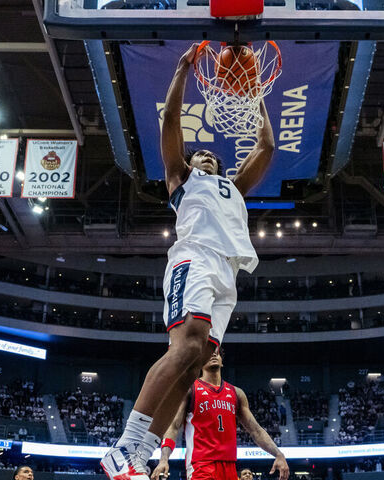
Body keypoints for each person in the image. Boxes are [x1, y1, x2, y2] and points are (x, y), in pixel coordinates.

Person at [101, 43, 275, 480]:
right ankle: (123, 448)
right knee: (186, 345)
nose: (208, 155)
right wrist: (182, 70)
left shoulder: (233, 186)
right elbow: (172, 120)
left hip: (228, 272)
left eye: (212, 156)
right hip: (193, 259)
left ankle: (140, 457)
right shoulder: (182, 179)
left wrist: (254, 94)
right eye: (201, 154)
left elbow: (267, 146)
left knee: (197, 361)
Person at [151, 350, 289, 480]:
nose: (213, 354)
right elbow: (173, 426)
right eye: (208, 352)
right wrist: (164, 459)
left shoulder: (237, 393)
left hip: (229, 466)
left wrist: (278, 454)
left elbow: (256, 430)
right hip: (201, 464)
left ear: (222, 361)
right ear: (199, 362)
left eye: (217, 352)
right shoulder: (190, 390)